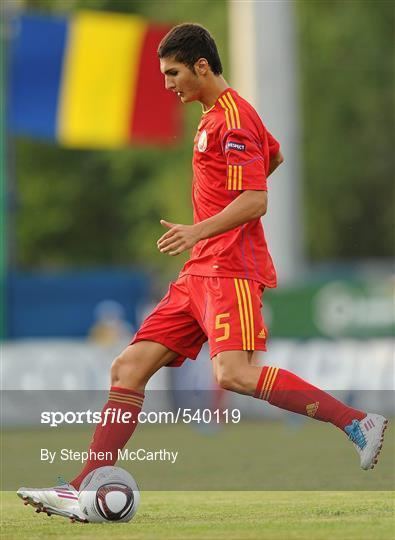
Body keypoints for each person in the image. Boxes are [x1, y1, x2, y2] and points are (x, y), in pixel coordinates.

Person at [18, 23, 388, 522]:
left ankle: (357, 422)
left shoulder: (233, 118)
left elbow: (256, 198)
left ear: (201, 66)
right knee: (127, 368)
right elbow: (271, 154)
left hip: (229, 269)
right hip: (199, 273)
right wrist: (215, 220)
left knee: (234, 374)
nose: (168, 84)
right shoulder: (217, 115)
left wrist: (202, 229)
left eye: (173, 73)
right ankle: (83, 488)